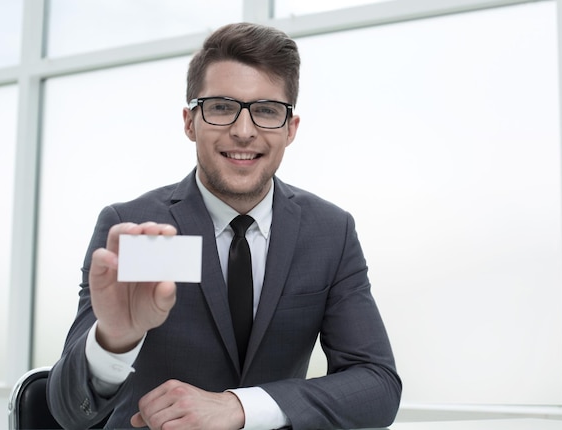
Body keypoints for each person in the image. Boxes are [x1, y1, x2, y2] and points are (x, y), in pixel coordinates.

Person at [47, 22, 401, 430]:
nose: (243, 130)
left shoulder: (328, 232)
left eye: (266, 110)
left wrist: (239, 406)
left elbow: (377, 386)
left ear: (290, 129)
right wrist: (113, 341)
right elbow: (68, 411)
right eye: (220, 107)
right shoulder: (136, 228)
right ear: (189, 122)